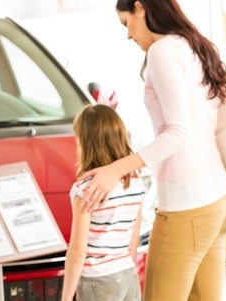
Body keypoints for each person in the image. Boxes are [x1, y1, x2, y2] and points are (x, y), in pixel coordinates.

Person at [80, 0, 226, 299]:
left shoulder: (162, 51)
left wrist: (116, 169)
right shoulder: (193, 45)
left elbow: (178, 133)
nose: (128, 36)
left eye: (126, 23)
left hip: (187, 207)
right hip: (219, 197)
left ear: (140, 7)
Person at [61, 105, 146, 301]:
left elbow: (77, 251)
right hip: (127, 274)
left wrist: (66, 297)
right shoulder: (134, 181)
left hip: (98, 281)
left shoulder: (86, 190)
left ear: (87, 144)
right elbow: (133, 238)